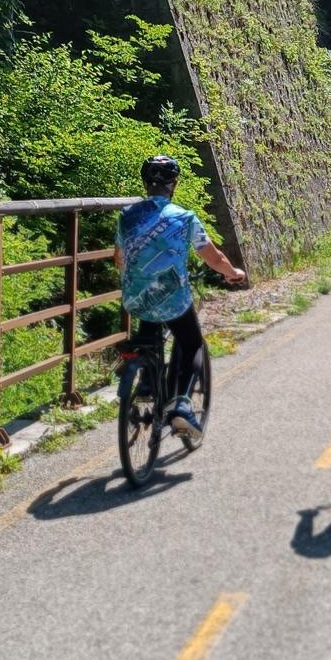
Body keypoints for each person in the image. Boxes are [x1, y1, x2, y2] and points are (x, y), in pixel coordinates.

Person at [114, 155, 245, 445]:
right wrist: (232, 272)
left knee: (149, 324)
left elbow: (119, 259)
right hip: (173, 296)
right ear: (174, 184)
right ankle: (182, 405)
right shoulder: (184, 217)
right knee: (192, 342)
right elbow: (214, 257)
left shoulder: (127, 215)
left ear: (145, 183)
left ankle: (147, 381)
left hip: (135, 297)